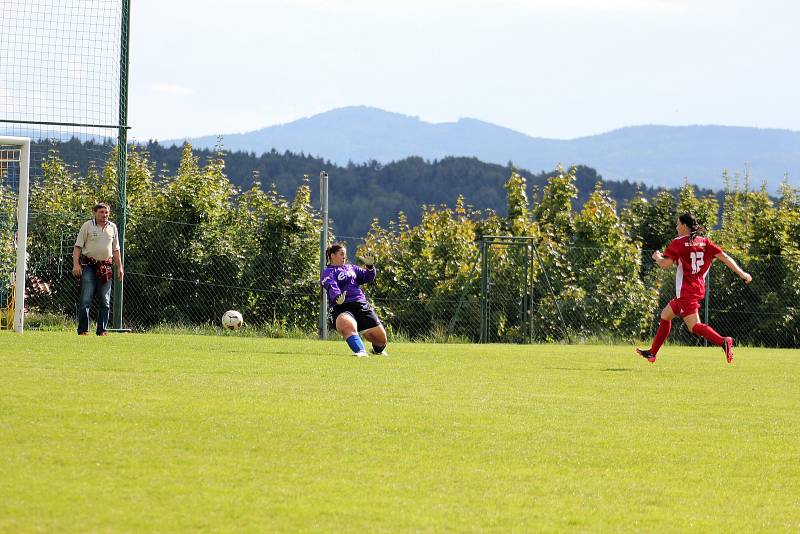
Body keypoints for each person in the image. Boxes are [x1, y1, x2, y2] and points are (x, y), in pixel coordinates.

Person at [636, 212, 752, 364]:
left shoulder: (678, 242)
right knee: (665, 315)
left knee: (694, 327)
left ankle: (723, 341)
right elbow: (725, 257)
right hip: (695, 289)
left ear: (684, 226)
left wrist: (657, 257)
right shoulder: (705, 242)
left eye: (678, 224)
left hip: (686, 292)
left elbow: (665, 264)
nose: (676, 227)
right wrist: (742, 273)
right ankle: (652, 353)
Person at [320, 243, 388, 357]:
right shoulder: (328, 272)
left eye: (345, 255)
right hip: (341, 306)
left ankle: (377, 350)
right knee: (346, 325)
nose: (344, 257)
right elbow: (331, 285)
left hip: (360, 304)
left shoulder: (351, 268)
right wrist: (337, 297)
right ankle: (361, 351)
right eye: (341, 254)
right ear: (332, 255)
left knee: (381, 339)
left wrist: (370, 267)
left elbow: (368, 277)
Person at [72, 202, 124, 336]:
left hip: (106, 267)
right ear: (94, 213)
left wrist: (120, 267)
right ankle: (83, 330)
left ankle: (102, 330)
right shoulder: (87, 226)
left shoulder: (113, 227)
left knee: (105, 300)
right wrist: (76, 264)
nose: (104, 215)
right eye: (101, 212)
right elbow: (78, 247)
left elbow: (116, 249)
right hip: (89, 266)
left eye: (106, 212)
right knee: (85, 299)